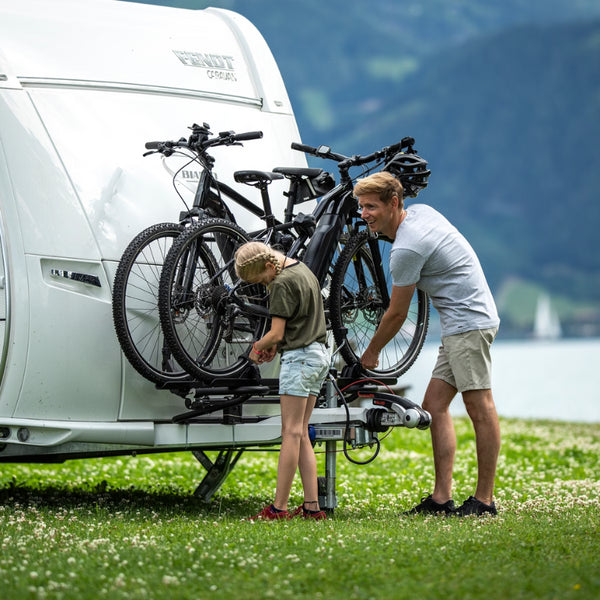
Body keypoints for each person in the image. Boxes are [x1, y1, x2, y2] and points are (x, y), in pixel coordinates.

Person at [354, 171, 501, 517]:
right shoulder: (421, 213)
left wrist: (371, 352)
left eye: (371, 206)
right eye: (361, 206)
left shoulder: (406, 248)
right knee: (433, 406)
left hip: (468, 325)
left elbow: (396, 314)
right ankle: (441, 499)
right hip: (462, 323)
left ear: (394, 203)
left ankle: (484, 501)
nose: (364, 214)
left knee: (479, 407)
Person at [234, 241, 331, 520]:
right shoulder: (303, 270)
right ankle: (312, 507)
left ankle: (279, 507)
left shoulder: (280, 283)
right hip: (318, 356)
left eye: (260, 280)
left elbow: (276, 333)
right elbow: (299, 322)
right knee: (301, 432)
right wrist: (276, 345)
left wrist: (256, 348)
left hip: (299, 360)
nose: (263, 285)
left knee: (289, 432)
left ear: (268, 265)